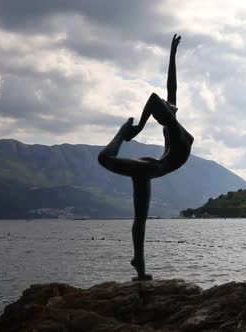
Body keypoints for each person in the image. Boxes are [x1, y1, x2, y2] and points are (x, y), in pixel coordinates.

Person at [98, 34, 193, 281]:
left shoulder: (180, 135)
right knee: (139, 218)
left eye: (166, 109)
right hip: (152, 167)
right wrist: (172, 54)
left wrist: (137, 128)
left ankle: (121, 133)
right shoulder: (175, 130)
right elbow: (171, 88)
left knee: (105, 160)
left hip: (152, 168)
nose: (168, 105)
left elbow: (154, 99)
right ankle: (139, 265)